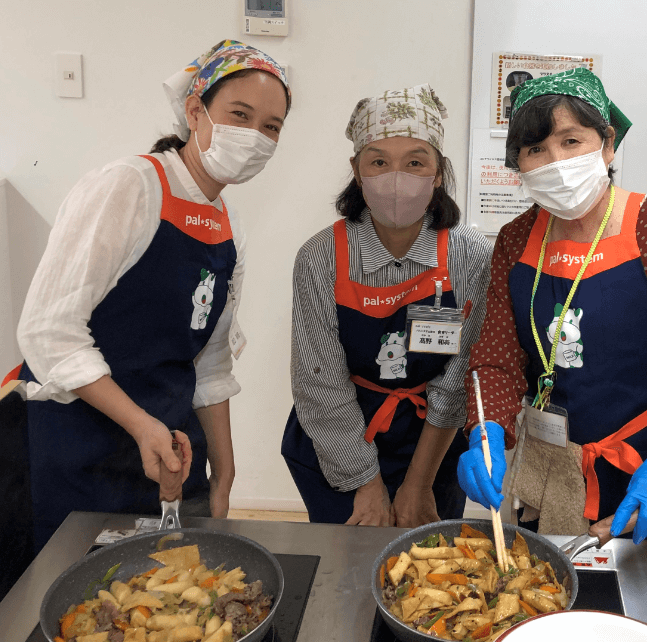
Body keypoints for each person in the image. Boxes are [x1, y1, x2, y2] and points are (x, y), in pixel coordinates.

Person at [457, 68, 647, 638]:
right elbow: (495, 360)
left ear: (607, 143)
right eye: (535, 148)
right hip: (548, 468)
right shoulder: (516, 238)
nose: (554, 160)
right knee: (546, 610)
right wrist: (485, 431)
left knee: (644, 616)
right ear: (517, 164)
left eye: (571, 141)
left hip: (645, 470)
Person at [16, 40, 290, 551]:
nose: (254, 137)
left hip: (172, 447)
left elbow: (208, 360)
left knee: (168, 590)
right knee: (80, 597)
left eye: (271, 127)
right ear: (195, 110)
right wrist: (141, 425)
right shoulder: (130, 186)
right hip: (82, 439)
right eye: (240, 114)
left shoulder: (229, 228)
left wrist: (225, 469)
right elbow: (48, 330)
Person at [281, 84, 493, 527]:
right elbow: (319, 382)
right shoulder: (320, 257)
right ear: (357, 172)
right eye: (379, 162)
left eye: (415, 162)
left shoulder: (469, 253)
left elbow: (458, 375)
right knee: (347, 570)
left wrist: (418, 484)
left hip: (433, 445)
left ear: (438, 173)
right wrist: (366, 482)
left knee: (431, 576)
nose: (396, 179)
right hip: (340, 441)